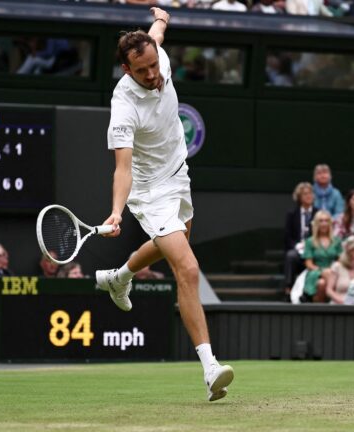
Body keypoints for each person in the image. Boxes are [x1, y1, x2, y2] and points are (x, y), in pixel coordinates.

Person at [97, 9, 233, 402]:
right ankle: (210, 369)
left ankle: (120, 277)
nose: (153, 74)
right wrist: (117, 212)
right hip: (148, 190)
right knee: (186, 267)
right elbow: (122, 168)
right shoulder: (123, 106)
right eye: (142, 71)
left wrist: (162, 18)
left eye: (154, 65)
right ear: (126, 68)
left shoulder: (156, 54)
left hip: (178, 174)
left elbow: (155, 32)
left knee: (169, 246)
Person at [300, 210, 342, 303]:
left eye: (326, 221)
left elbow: (341, 261)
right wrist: (322, 271)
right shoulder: (310, 241)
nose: (324, 224)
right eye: (321, 221)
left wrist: (332, 270)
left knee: (325, 281)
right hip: (315, 272)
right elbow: (309, 264)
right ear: (316, 224)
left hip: (333, 271)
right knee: (321, 283)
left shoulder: (337, 241)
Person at [284, 182, 317, 291]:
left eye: (310, 193)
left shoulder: (319, 213)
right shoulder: (292, 214)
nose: (309, 196)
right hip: (298, 249)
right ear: (298, 197)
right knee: (290, 256)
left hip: (315, 249)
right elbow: (287, 237)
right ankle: (288, 288)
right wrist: (297, 246)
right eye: (305, 194)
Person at [323, 238, 354, 304]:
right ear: (351, 252)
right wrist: (341, 301)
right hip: (339, 305)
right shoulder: (337, 266)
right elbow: (329, 290)